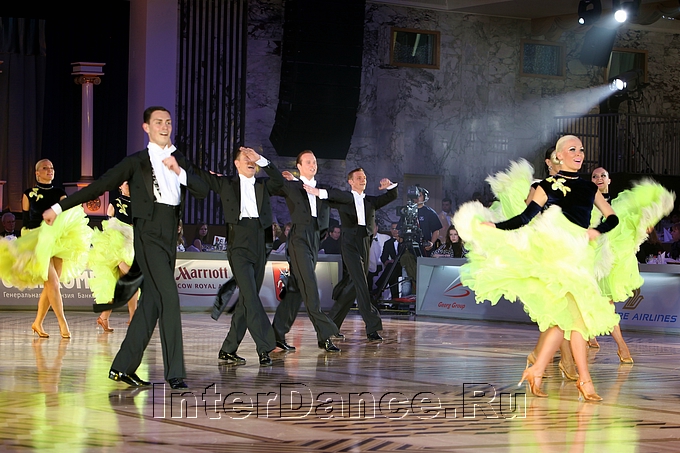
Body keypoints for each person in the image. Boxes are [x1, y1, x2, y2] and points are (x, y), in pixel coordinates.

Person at [43, 106, 209, 390]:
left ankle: (122, 367)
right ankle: (175, 373)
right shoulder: (135, 162)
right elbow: (98, 186)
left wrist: (179, 170)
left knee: (151, 303)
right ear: (146, 127)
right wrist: (59, 207)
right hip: (148, 234)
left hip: (170, 233)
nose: (164, 126)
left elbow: (202, 190)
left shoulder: (178, 158)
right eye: (158, 122)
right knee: (169, 298)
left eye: (168, 122)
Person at [455, 135, 621, 401]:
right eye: (572, 149)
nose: (579, 154)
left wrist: (596, 231)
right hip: (556, 259)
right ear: (558, 156)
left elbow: (613, 218)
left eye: (581, 149)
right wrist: (496, 226)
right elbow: (524, 218)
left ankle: (537, 370)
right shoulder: (546, 186)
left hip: (579, 258)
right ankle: (584, 381)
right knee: (573, 320)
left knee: (568, 322)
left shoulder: (590, 188)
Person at [194, 146, 284, 366]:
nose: (250, 161)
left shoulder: (263, 185)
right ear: (236, 164)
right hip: (239, 244)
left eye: (253, 159)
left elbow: (279, 181)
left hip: (260, 243)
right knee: (251, 297)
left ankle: (228, 349)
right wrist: (173, 158)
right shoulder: (226, 184)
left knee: (246, 300)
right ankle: (265, 346)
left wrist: (261, 159)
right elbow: (201, 174)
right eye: (246, 158)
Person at [271, 150, 353, 353]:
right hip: (299, 239)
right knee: (309, 286)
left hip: (315, 240)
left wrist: (319, 193)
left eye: (314, 161)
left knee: (295, 290)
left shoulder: (324, 189)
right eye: (308, 162)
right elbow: (270, 183)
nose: (312, 164)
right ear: (299, 166)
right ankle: (324, 334)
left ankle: (276, 335)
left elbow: (346, 198)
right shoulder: (293, 186)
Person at [0, 159, 91, 339]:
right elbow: (26, 220)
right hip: (37, 239)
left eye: (51, 168)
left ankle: (38, 322)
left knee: (51, 286)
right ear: (37, 173)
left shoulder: (60, 193)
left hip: (57, 240)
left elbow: (66, 215)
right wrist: (25, 244)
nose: (50, 170)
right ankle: (62, 322)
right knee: (53, 282)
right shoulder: (28, 194)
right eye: (45, 168)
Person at [326, 168, 398, 341]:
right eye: (359, 177)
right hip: (349, 243)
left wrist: (389, 186)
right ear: (350, 181)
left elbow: (391, 196)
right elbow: (325, 197)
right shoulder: (344, 199)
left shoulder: (370, 201)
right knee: (361, 283)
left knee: (354, 285)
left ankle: (330, 325)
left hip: (364, 242)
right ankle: (372, 325)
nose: (363, 180)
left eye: (364, 177)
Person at [90, 181, 139, 332]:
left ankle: (104, 317)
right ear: (120, 186)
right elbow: (109, 228)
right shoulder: (114, 203)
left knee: (124, 285)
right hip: (116, 247)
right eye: (126, 183)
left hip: (131, 245)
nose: (129, 185)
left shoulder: (139, 202)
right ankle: (133, 318)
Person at [376, 222, 403, 300]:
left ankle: (379, 287)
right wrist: (386, 261)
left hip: (403, 266)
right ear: (390, 230)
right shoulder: (388, 243)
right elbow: (383, 257)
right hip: (394, 267)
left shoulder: (405, 242)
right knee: (391, 269)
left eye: (397, 229)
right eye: (393, 229)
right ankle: (395, 300)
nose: (395, 231)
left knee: (391, 269)